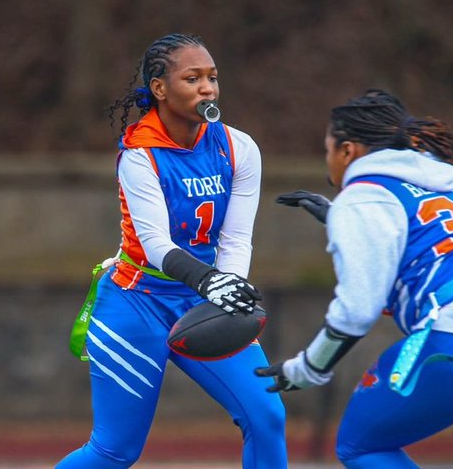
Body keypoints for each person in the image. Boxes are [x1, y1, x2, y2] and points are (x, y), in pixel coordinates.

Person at [257, 90, 453, 468]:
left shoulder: (364, 197)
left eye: (328, 149)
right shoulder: (438, 179)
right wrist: (340, 216)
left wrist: (307, 368)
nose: (328, 162)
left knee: (361, 446)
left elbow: (356, 311)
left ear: (348, 151)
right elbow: (425, 241)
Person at [57, 33, 287, 469]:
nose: (208, 88)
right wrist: (210, 281)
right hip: (135, 301)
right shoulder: (139, 155)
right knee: (115, 451)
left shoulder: (240, 148)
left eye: (213, 78)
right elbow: (156, 244)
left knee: (266, 415)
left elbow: (236, 238)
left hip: (200, 299)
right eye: (193, 78)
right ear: (160, 88)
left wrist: (229, 286)